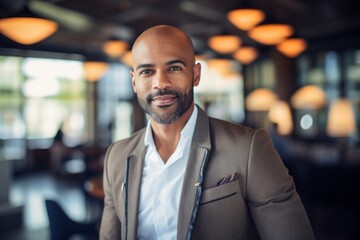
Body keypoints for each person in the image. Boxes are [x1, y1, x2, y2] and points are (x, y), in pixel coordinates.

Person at [99, 25, 315, 240]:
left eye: (174, 68)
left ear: (195, 75)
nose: (160, 83)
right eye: (147, 71)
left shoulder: (249, 148)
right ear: (134, 82)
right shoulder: (116, 157)